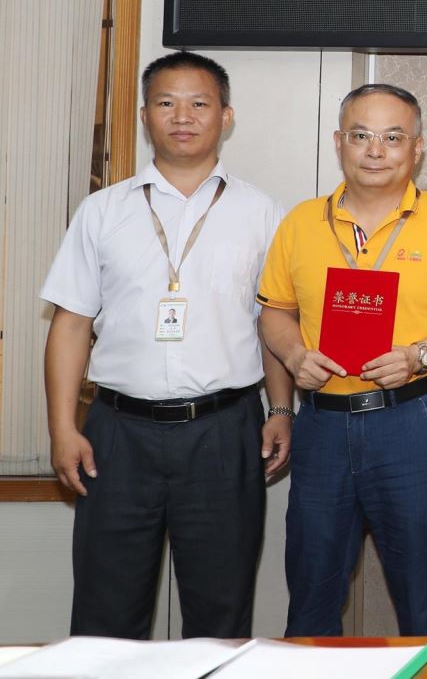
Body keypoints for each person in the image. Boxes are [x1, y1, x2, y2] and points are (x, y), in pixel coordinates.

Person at [41, 51, 290, 638]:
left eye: (199, 103)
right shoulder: (102, 211)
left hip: (223, 432)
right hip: (117, 435)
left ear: (225, 116)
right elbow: (70, 325)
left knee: (220, 611)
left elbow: (274, 320)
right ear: (145, 115)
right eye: (166, 102)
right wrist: (61, 429)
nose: (183, 116)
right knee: (106, 611)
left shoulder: (263, 214)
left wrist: (281, 410)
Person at [256, 83, 427, 636]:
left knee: (422, 598)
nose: (376, 151)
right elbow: (274, 311)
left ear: (417, 148)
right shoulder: (301, 221)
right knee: (312, 594)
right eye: (361, 136)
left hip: (412, 421)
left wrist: (421, 355)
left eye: (393, 138)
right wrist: (294, 354)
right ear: (339, 143)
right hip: (323, 424)